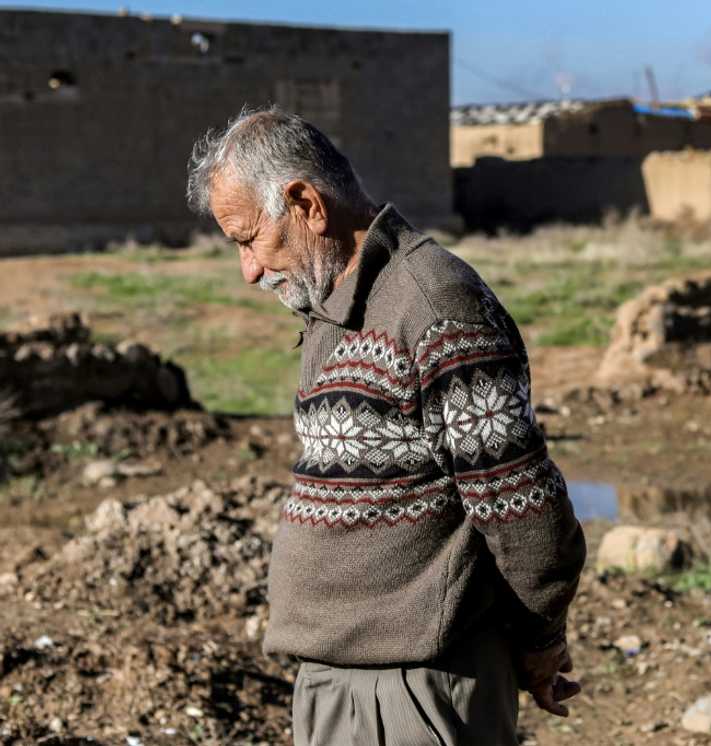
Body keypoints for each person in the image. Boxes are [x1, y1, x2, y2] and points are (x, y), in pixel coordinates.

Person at [186, 107, 587, 746]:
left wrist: (540, 637)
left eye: (248, 239)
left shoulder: (435, 305)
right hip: (336, 680)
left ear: (306, 206)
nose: (250, 270)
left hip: (413, 690)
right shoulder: (335, 306)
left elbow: (523, 508)